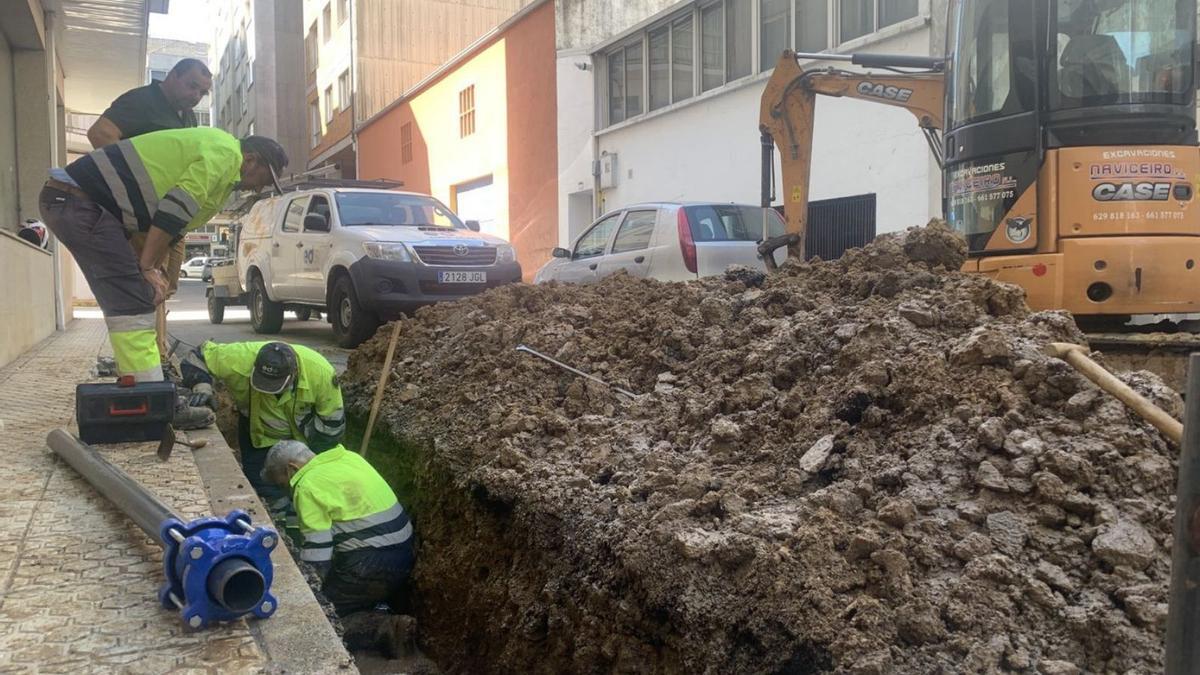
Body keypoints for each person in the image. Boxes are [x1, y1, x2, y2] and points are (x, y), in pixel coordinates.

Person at [39, 128, 287, 394]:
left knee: (137, 294)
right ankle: (148, 396)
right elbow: (173, 210)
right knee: (131, 300)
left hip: (76, 203)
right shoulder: (225, 154)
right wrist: (145, 268)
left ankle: (142, 385)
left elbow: (172, 227)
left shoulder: (222, 176)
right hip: (77, 202)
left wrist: (152, 270)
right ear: (250, 159)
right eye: (264, 177)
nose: (260, 187)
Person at [87, 58, 213, 379]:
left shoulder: (186, 118)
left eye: (202, 91)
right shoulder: (142, 101)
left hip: (172, 217)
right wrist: (135, 187)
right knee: (146, 287)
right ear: (171, 76)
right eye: (191, 86)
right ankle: (149, 365)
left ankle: (157, 354)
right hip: (144, 215)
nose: (196, 95)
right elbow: (100, 133)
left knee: (163, 288)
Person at [181, 340, 345, 512]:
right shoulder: (239, 358)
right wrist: (202, 387)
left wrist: (320, 465)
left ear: (294, 374)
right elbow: (196, 357)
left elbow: (331, 428)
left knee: (310, 484)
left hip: (303, 439)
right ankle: (279, 518)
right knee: (260, 480)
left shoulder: (320, 373)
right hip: (257, 432)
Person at [262, 440, 414, 616]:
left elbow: (317, 558)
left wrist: (303, 591)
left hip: (372, 564)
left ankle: (383, 628)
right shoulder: (349, 458)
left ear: (292, 469)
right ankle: (381, 607)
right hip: (406, 550)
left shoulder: (306, 486)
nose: (285, 489)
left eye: (281, 483)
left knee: (325, 611)